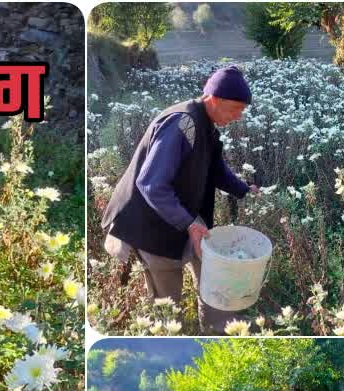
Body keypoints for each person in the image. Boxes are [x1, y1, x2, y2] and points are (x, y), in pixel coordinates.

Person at [101, 66, 260, 335]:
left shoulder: (206, 125)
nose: (238, 116)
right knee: (168, 299)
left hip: (179, 215)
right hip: (151, 225)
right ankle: (169, 336)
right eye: (235, 109)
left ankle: (216, 334)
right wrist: (189, 223)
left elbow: (215, 169)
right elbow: (151, 184)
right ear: (214, 99)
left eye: (242, 111)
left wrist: (243, 190)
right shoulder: (182, 123)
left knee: (211, 276)